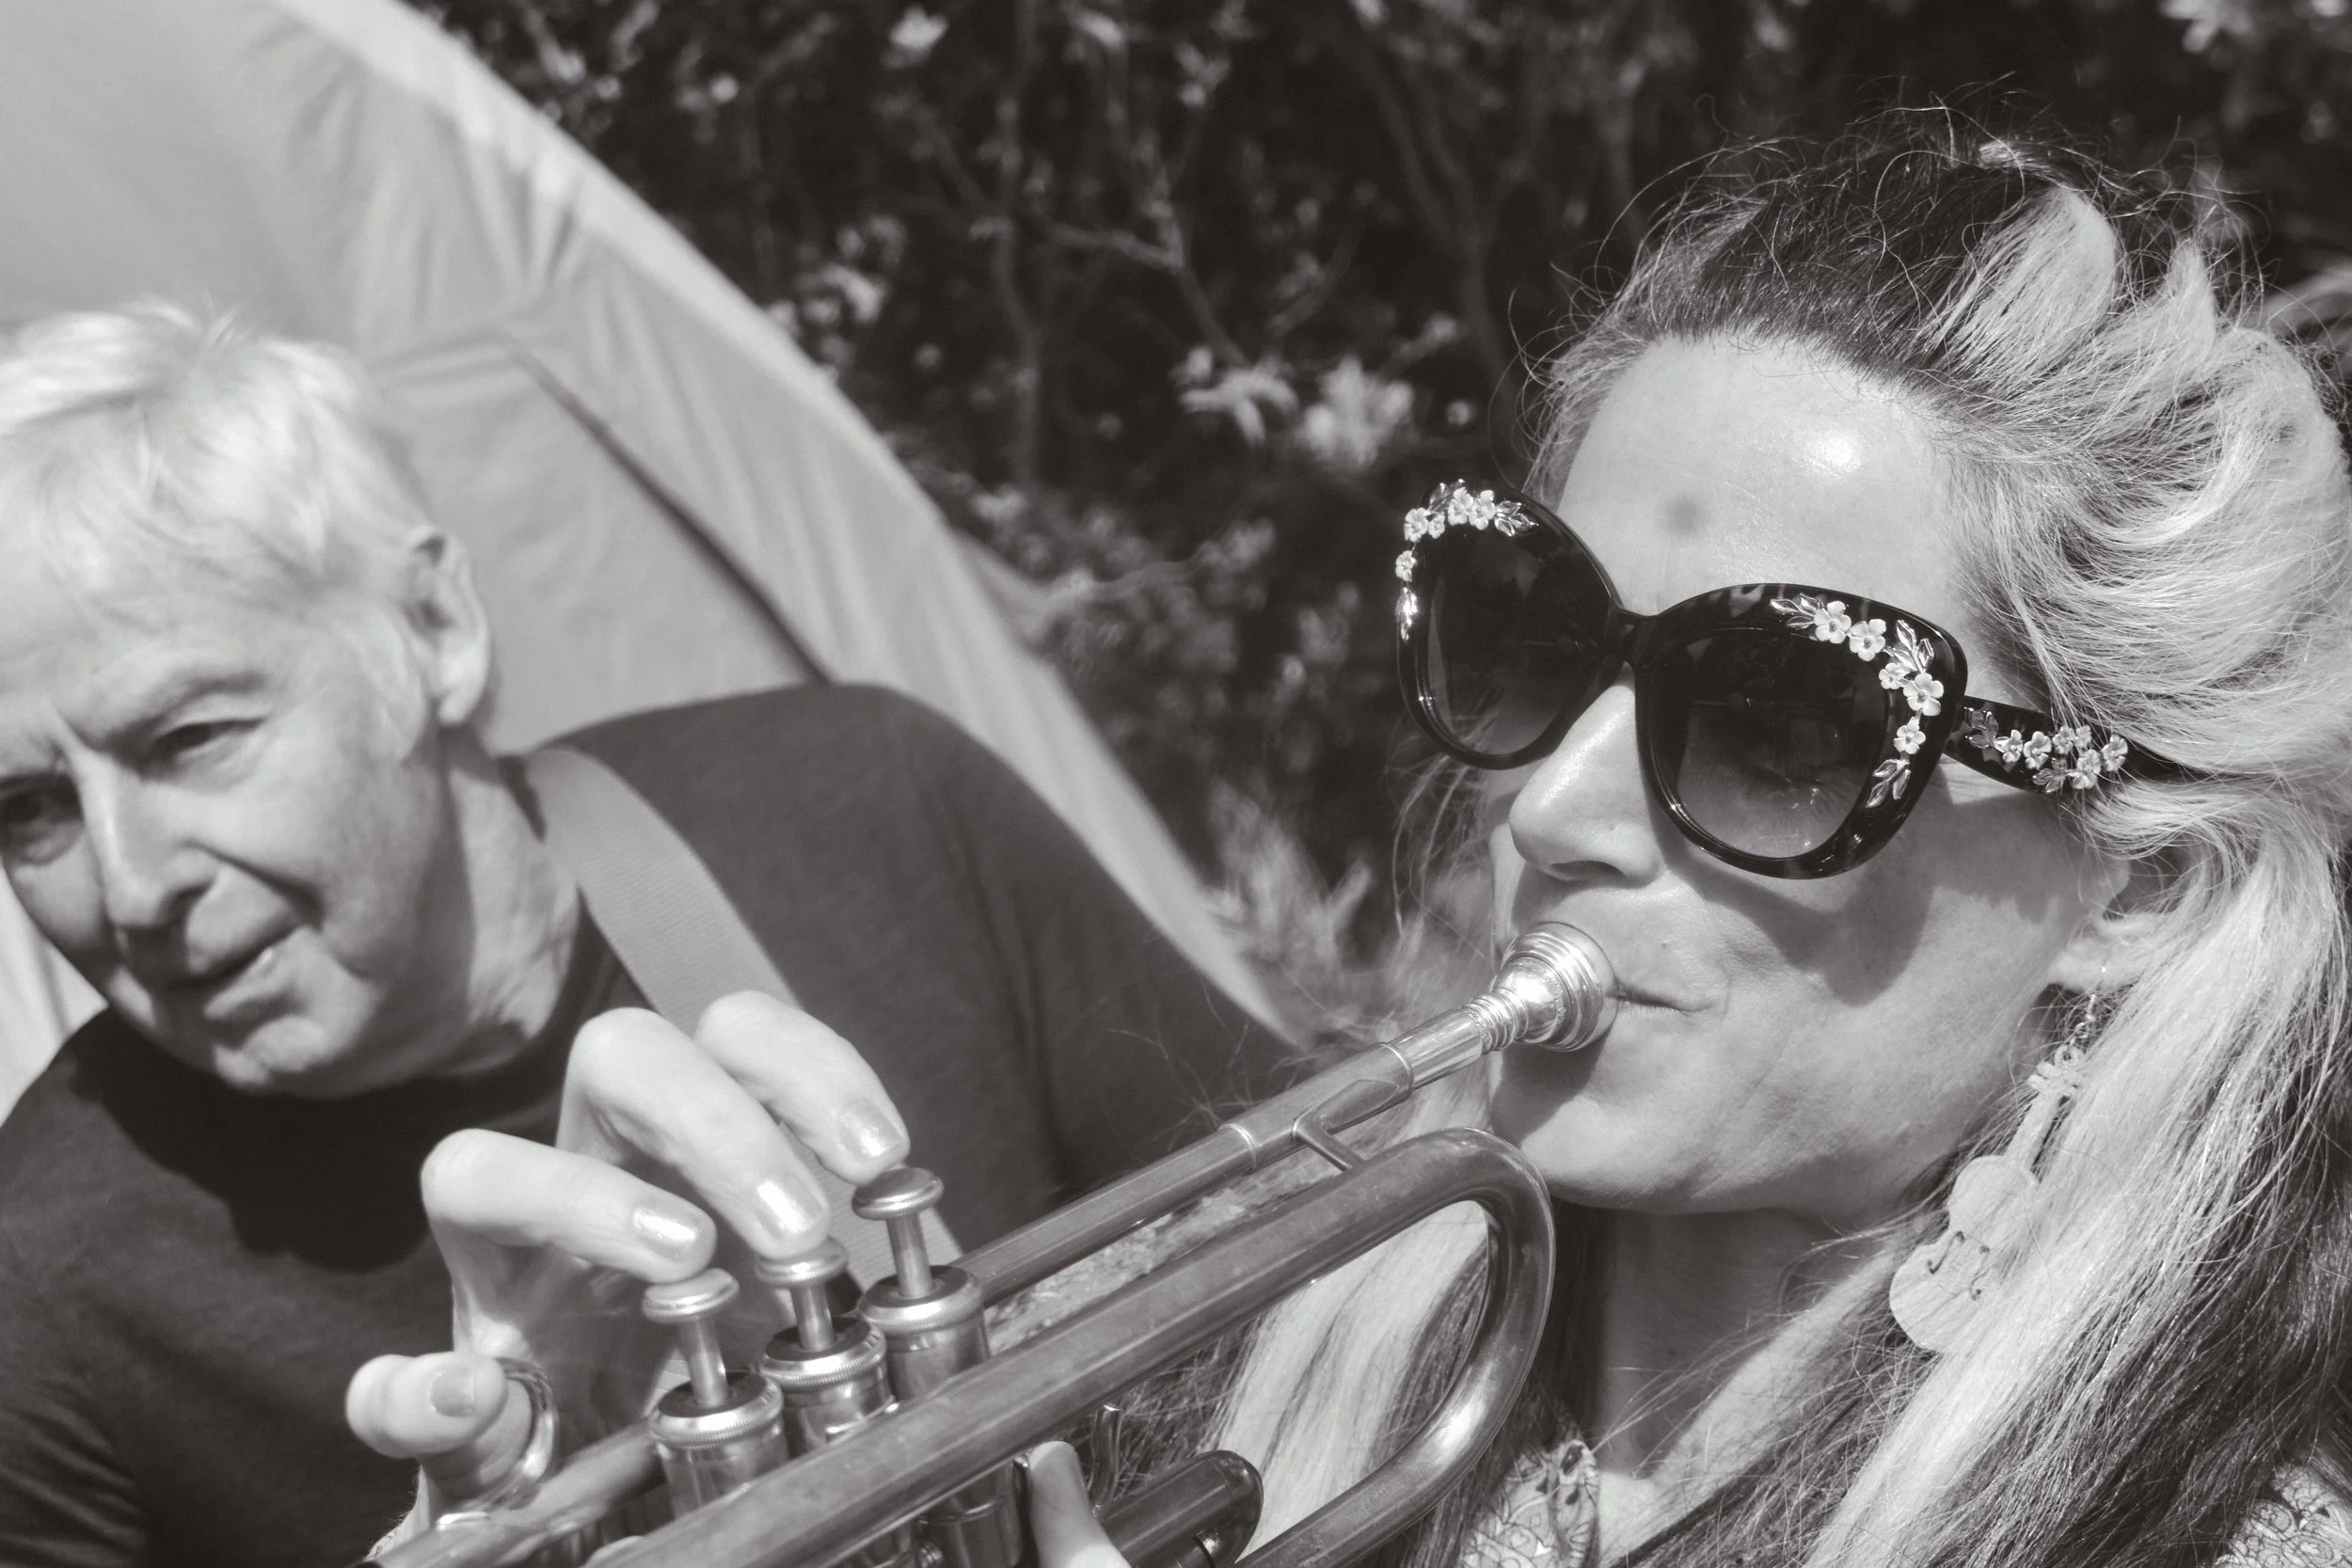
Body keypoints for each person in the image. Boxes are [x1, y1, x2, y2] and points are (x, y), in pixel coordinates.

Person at [364, 119, 2352, 1568]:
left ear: (2134, 882)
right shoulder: (1221, 1327)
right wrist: (580, 1483)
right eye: (1531, 637)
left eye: (1765, 718)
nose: (1553, 810)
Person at [0, 302, 1279, 1568]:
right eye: (27, 808)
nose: (124, 885)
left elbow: (1351, 1247)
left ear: (434, 627)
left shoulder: (870, 800)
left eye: (186, 740)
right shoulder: (37, 1285)